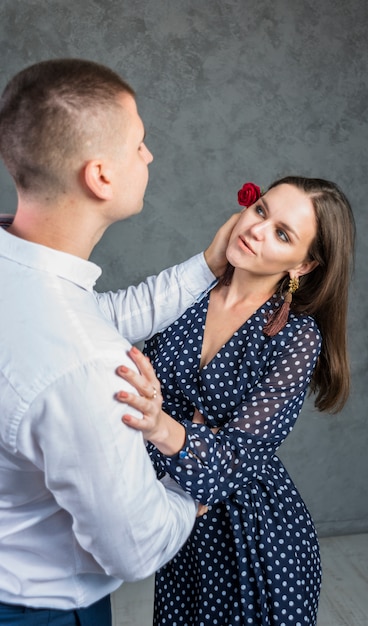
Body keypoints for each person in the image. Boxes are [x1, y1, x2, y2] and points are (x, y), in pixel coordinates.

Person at [0, 58, 237, 625]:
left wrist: (207, 266)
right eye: (139, 144)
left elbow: (96, 314)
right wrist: (193, 488)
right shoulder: (88, 366)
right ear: (100, 175)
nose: (149, 156)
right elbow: (137, 546)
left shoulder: (32, 284)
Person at [114, 176, 356, 625]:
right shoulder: (187, 295)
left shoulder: (296, 338)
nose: (257, 230)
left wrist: (158, 424)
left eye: (283, 234)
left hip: (254, 541)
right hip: (180, 529)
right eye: (261, 210)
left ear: (303, 266)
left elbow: (237, 456)